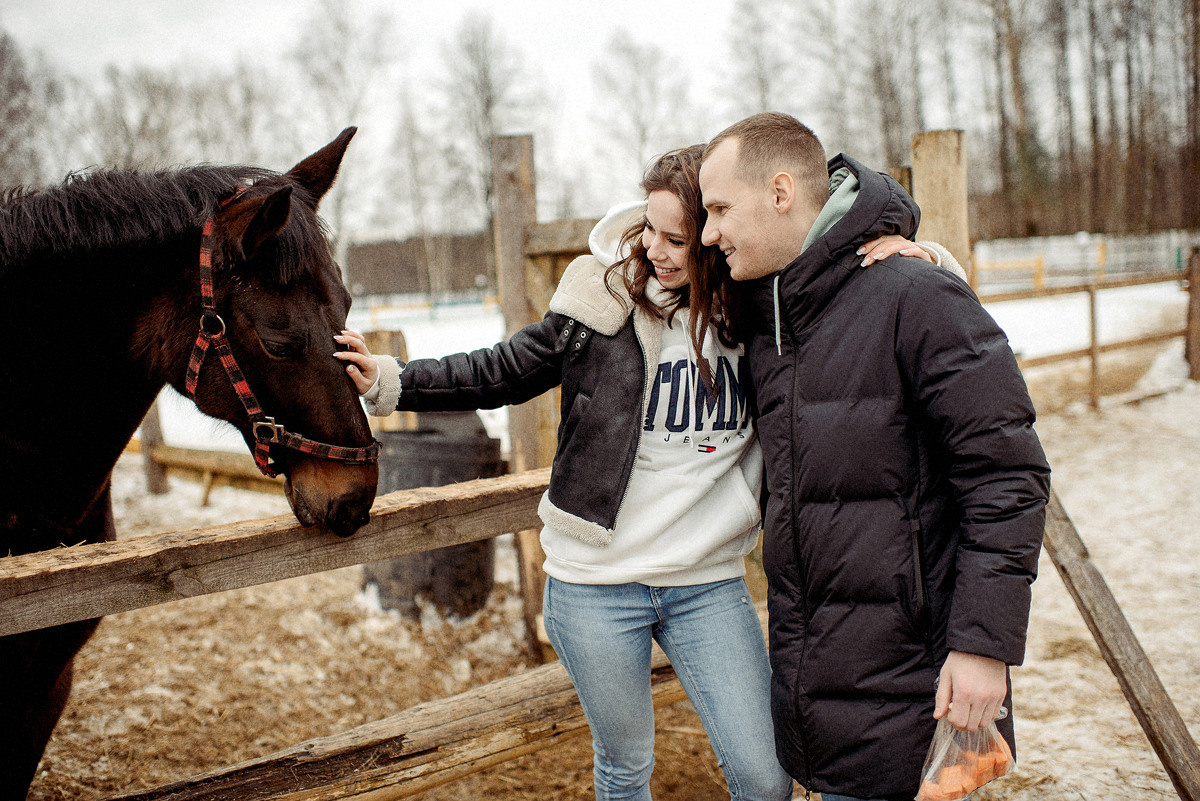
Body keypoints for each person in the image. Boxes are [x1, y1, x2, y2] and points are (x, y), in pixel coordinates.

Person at [334, 144, 955, 800]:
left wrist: (926, 261)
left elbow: (852, 286)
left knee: (764, 776)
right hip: (595, 584)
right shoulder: (603, 297)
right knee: (626, 765)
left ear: (716, 237)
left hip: (706, 583)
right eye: (648, 228)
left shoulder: (762, 304)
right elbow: (503, 369)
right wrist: (391, 380)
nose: (654, 249)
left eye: (675, 239)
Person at [696, 111, 1051, 801]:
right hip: (820, 695)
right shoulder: (771, 319)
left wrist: (984, 647)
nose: (710, 233)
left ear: (780, 192)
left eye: (720, 209)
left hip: (913, 686)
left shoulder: (915, 295)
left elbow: (1007, 478)